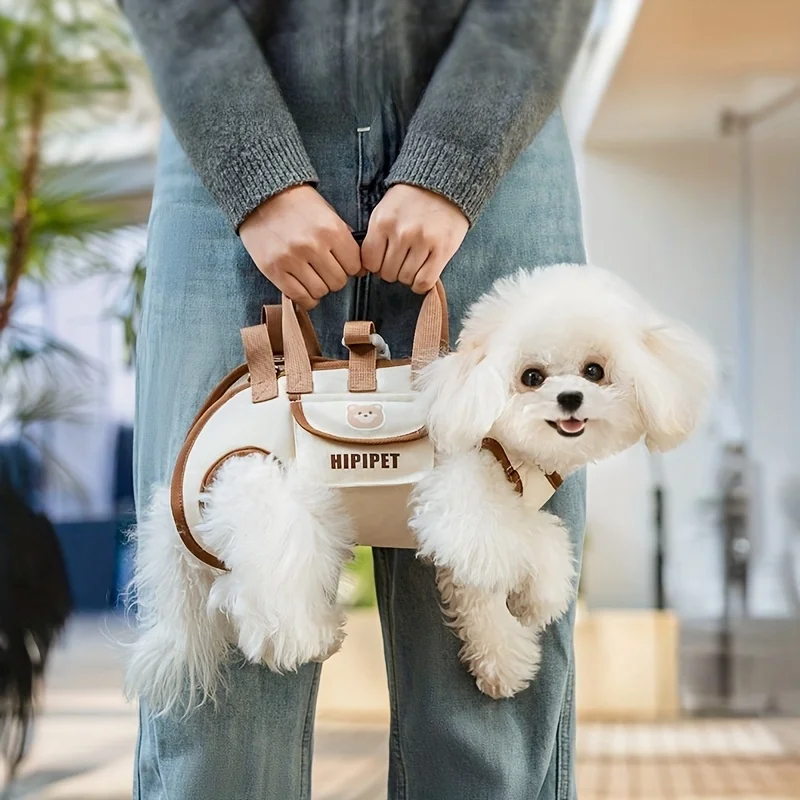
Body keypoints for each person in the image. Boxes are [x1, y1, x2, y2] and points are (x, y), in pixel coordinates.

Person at [122, 1, 593, 798]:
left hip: (501, 117)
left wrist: (456, 159)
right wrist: (256, 173)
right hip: (226, 120)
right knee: (225, 645)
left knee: (490, 664)